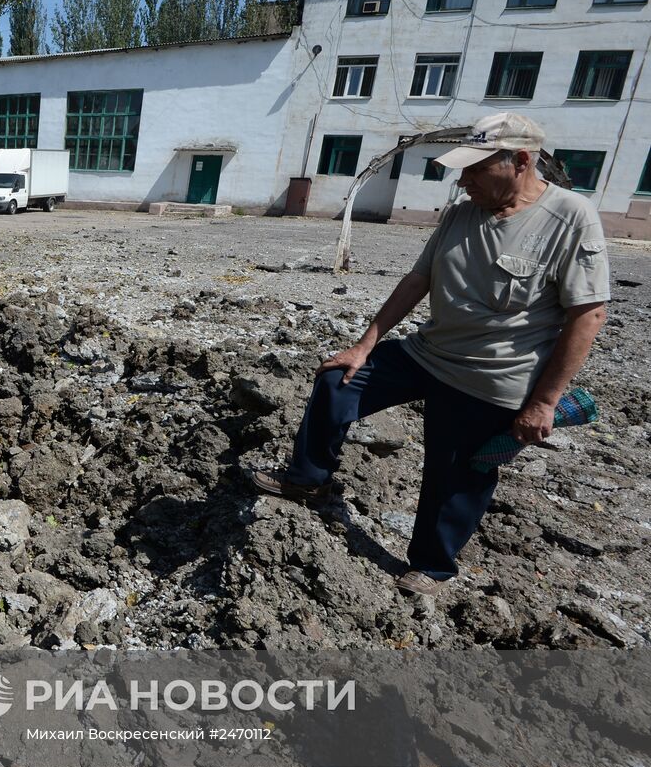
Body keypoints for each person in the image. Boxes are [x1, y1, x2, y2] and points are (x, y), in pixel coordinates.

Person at [250, 113, 610, 596]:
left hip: (492, 376)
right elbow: (418, 280)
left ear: (521, 161)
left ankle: (433, 567)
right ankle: (308, 479)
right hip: (427, 353)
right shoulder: (462, 214)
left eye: (476, 169)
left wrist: (545, 401)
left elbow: (588, 315)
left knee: (455, 476)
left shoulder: (570, 217)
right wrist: (364, 345)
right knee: (339, 382)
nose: (463, 181)